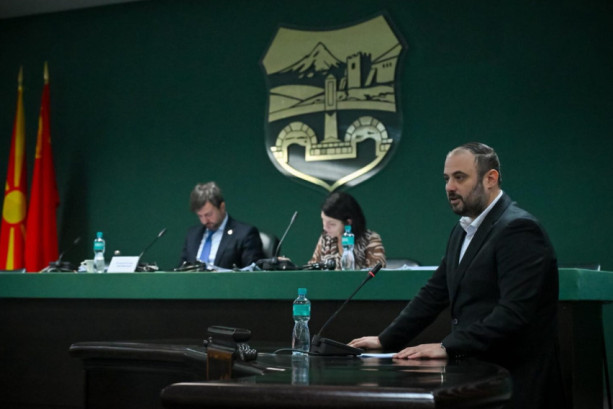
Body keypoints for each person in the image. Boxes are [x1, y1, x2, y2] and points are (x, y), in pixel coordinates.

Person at [349, 142, 566, 409]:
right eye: (446, 178)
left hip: (516, 385)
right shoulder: (462, 230)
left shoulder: (519, 229)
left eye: (460, 177)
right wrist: (386, 339)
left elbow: (514, 313)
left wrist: (448, 346)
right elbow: (435, 293)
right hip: (477, 380)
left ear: (490, 178)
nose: (449, 187)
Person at [179, 182, 264, 269]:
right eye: (200, 216)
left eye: (208, 214)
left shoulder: (245, 234)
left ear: (222, 207)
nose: (204, 221)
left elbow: (252, 272)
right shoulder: (192, 235)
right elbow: (181, 270)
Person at [308, 191, 386, 270]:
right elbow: (312, 271)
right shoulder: (325, 239)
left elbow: (377, 274)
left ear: (348, 222)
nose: (325, 227)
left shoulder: (370, 240)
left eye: (332, 224)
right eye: (323, 220)